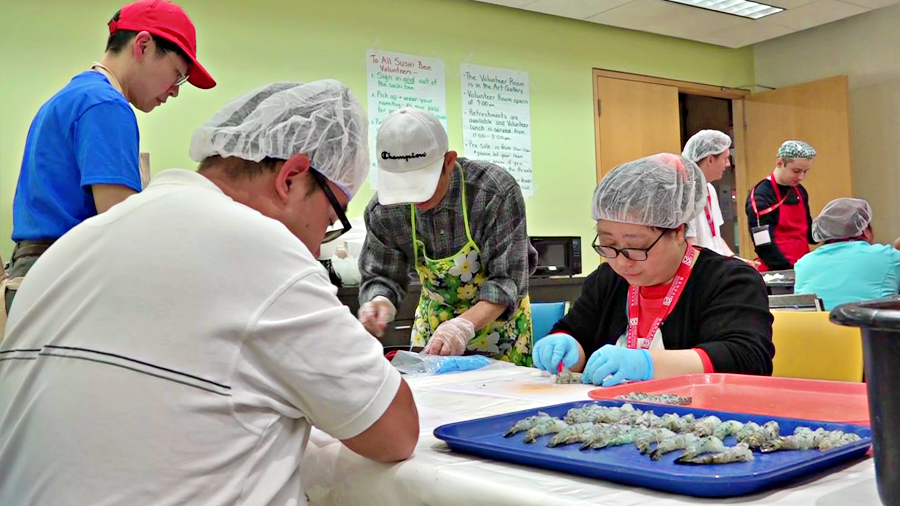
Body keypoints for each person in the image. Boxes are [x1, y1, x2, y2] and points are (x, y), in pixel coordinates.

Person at [0, 81, 419, 505]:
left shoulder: (68, 249)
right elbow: (395, 433)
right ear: (291, 177)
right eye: (330, 217)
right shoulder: (265, 253)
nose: (317, 246)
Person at [2, 0, 215, 315]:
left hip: (33, 277)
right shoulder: (106, 105)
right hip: (61, 282)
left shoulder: (71, 97)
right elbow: (120, 224)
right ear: (143, 45)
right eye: (177, 75)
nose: (175, 92)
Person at [532, 154, 774, 387]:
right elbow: (577, 332)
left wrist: (646, 363)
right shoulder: (607, 280)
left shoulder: (730, 281)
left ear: (678, 231)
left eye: (636, 247)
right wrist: (564, 345)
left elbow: (746, 358)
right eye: (609, 245)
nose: (622, 262)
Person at [358, 108, 537, 366]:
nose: (414, 198)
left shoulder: (493, 193)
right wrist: (379, 300)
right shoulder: (384, 210)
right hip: (434, 330)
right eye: (403, 188)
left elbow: (507, 280)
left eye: (422, 186)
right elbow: (381, 274)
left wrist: (463, 326)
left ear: (449, 161)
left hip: (500, 331)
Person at [794, 198, 900, 309]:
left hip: (813, 326)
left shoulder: (803, 263)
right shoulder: (887, 256)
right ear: (864, 230)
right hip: (868, 325)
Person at [746, 140, 817, 272]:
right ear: (779, 163)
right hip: (776, 270)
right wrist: (788, 270)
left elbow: (810, 235)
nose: (801, 177)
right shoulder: (761, 196)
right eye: (796, 171)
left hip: (802, 266)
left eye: (805, 171)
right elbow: (763, 245)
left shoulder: (800, 191)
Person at [682, 129, 737, 257]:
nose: (728, 164)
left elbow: (715, 238)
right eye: (725, 159)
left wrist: (735, 260)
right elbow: (691, 244)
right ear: (710, 160)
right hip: (701, 267)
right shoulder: (685, 192)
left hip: (714, 264)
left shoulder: (709, 189)